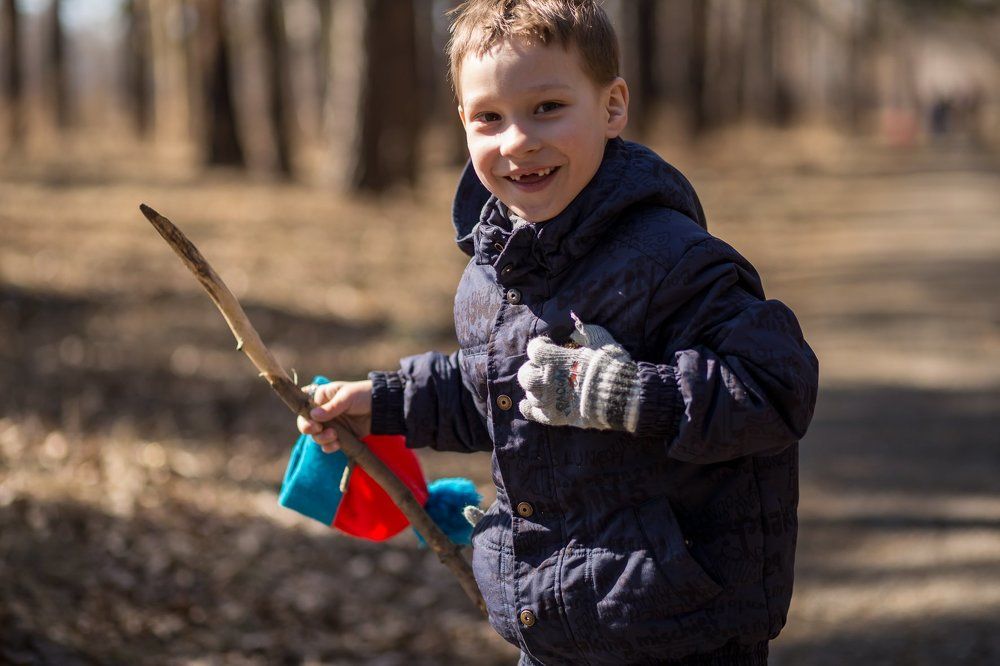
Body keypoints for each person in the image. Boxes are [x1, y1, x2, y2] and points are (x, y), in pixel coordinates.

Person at [297, 1, 819, 663]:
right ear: (462, 122)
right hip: (550, 617)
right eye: (489, 117)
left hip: (677, 621)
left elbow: (775, 389)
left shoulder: (673, 261)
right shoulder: (493, 272)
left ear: (612, 106)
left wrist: (633, 395)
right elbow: (501, 394)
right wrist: (383, 402)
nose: (517, 140)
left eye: (547, 107)